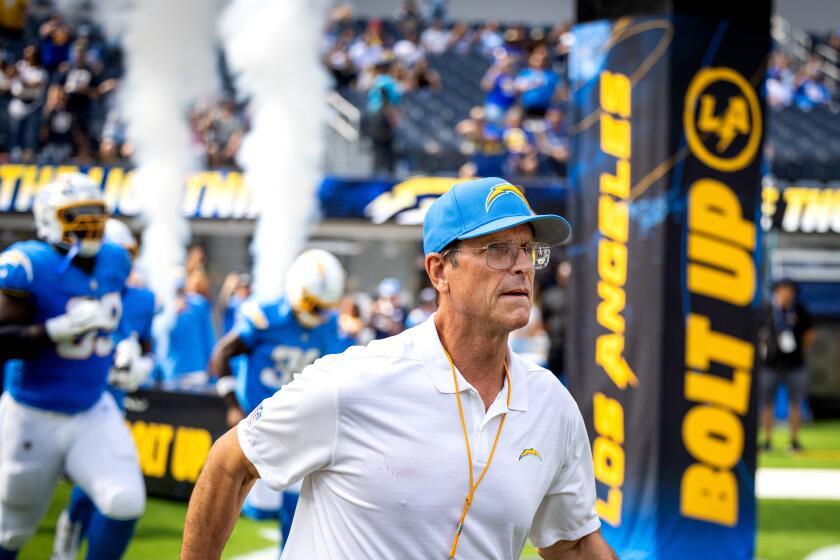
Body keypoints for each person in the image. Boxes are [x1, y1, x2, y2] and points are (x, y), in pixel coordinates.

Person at [181, 177, 616, 559]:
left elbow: (572, 544)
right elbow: (229, 464)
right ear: (439, 271)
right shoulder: (354, 381)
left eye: (527, 249)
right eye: (498, 249)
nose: (522, 264)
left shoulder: (552, 406)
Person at [0, 173, 145, 559]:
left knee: (125, 500)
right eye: (77, 216)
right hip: (31, 412)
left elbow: (117, 312)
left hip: (91, 408)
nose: (89, 225)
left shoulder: (114, 258)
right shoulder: (28, 263)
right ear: (50, 219)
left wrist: (125, 346)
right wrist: (51, 331)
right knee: (11, 532)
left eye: (95, 216)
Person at [208, 249, 354, 551]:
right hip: (257, 421)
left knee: (297, 505)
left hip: (300, 423)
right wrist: (232, 404)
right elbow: (221, 355)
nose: (320, 315)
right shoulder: (265, 316)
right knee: (256, 508)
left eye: (326, 308)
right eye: (315, 306)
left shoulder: (328, 325)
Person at [52, 218, 157, 559]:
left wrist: (142, 366)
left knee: (107, 478)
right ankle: (70, 524)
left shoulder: (142, 299)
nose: (124, 263)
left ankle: (72, 526)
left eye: (130, 254)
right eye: (119, 253)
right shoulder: (76, 287)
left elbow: (146, 343)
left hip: (112, 399)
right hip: (71, 395)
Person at [759, 279, 815, 453]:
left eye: (790, 291)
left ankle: (794, 441)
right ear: (776, 291)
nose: (786, 294)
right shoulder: (766, 310)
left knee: (795, 404)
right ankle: (766, 441)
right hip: (770, 364)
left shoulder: (799, 310)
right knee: (767, 403)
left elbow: (809, 335)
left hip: (795, 364)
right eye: (783, 290)